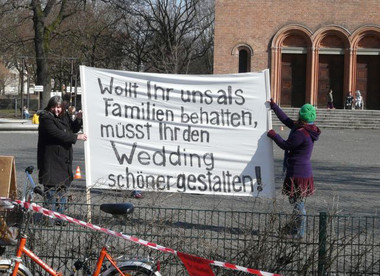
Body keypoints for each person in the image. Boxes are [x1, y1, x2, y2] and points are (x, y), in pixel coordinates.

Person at [267, 99, 321, 239]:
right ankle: (294, 227)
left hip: (298, 172)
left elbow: (286, 145)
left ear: (301, 116)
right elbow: (286, 121)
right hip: (301, 171)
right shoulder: (306, 129)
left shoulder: (302, 133)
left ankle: (299, 232)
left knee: (298, 203)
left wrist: (274, 135)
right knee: (296, 201)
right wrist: (274, 107)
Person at [37, 96, 87, 225]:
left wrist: (79, 118)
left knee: (62, 190)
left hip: (64, 159)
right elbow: (56, 133)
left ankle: (61, 218)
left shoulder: (64, 116)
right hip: (51, 160)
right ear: (49, 107)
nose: (56, 110)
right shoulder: (46, 118)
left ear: (62, 108)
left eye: (58, 107)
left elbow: (72, 128)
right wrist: (77, 137)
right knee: (51, 190)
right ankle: (49, 218)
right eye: (54, 107)